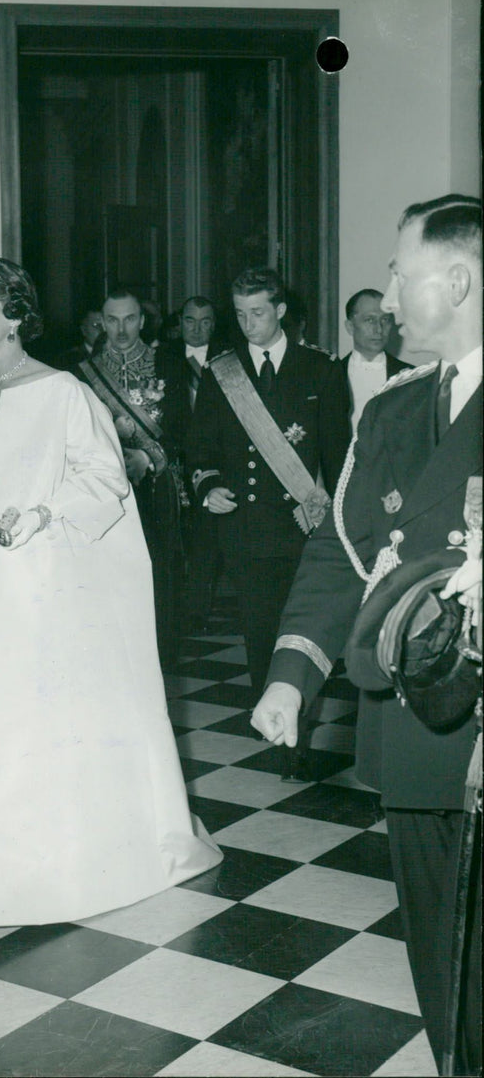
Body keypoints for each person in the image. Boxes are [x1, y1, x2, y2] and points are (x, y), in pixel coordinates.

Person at [0, 244, 222, 929]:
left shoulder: (61, 392)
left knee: (25, 714)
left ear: (13, 316)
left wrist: (45, 512)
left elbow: (104, 478)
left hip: (32, 582)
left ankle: (31, 864)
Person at [251, 195, 482, 1076]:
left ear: (455, 280)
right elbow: (341, 551)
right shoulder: (389, 410)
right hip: (414, 727)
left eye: (400, 270)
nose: (384, 291)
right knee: (441, 952)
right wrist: (291, 673)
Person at [187, 267, 350, 778]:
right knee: (261, 633)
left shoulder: (320, 369)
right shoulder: (223, 371)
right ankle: (280, 732)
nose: (248, 323)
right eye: (239, 314)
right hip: (246, 527)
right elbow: (201, 445)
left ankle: (300, 724)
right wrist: (207, 484)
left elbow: (339, 451)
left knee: (301, 629)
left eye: (258, 312)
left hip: (303, 523)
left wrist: (334, 516)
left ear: (281, 310)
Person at [76, 288, 190, 669]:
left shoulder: (170, 363)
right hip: (104, 491)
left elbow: (183, 428)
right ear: (100, 322)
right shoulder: (82, 372)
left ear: (142, 321)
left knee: (158, 574)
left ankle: (160, 659)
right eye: (112, 320)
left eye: (129, 319)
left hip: (157, 489)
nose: (120, 329)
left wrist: (147, 456)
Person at [165, 296, 227, 634]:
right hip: (171, 460)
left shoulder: (227, 358)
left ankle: (197, 611)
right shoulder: (163, 357)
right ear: (180, 322)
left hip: (211, 461)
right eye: (190, 320)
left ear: (214, 324)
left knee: (206, 540)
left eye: (205, 321)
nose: (198, 328)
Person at [341, 288, 402, 432]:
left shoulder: (410, 376)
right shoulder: (330, 373)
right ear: (350, 327)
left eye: (384, 320)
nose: (379, 329)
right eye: (370, 320)